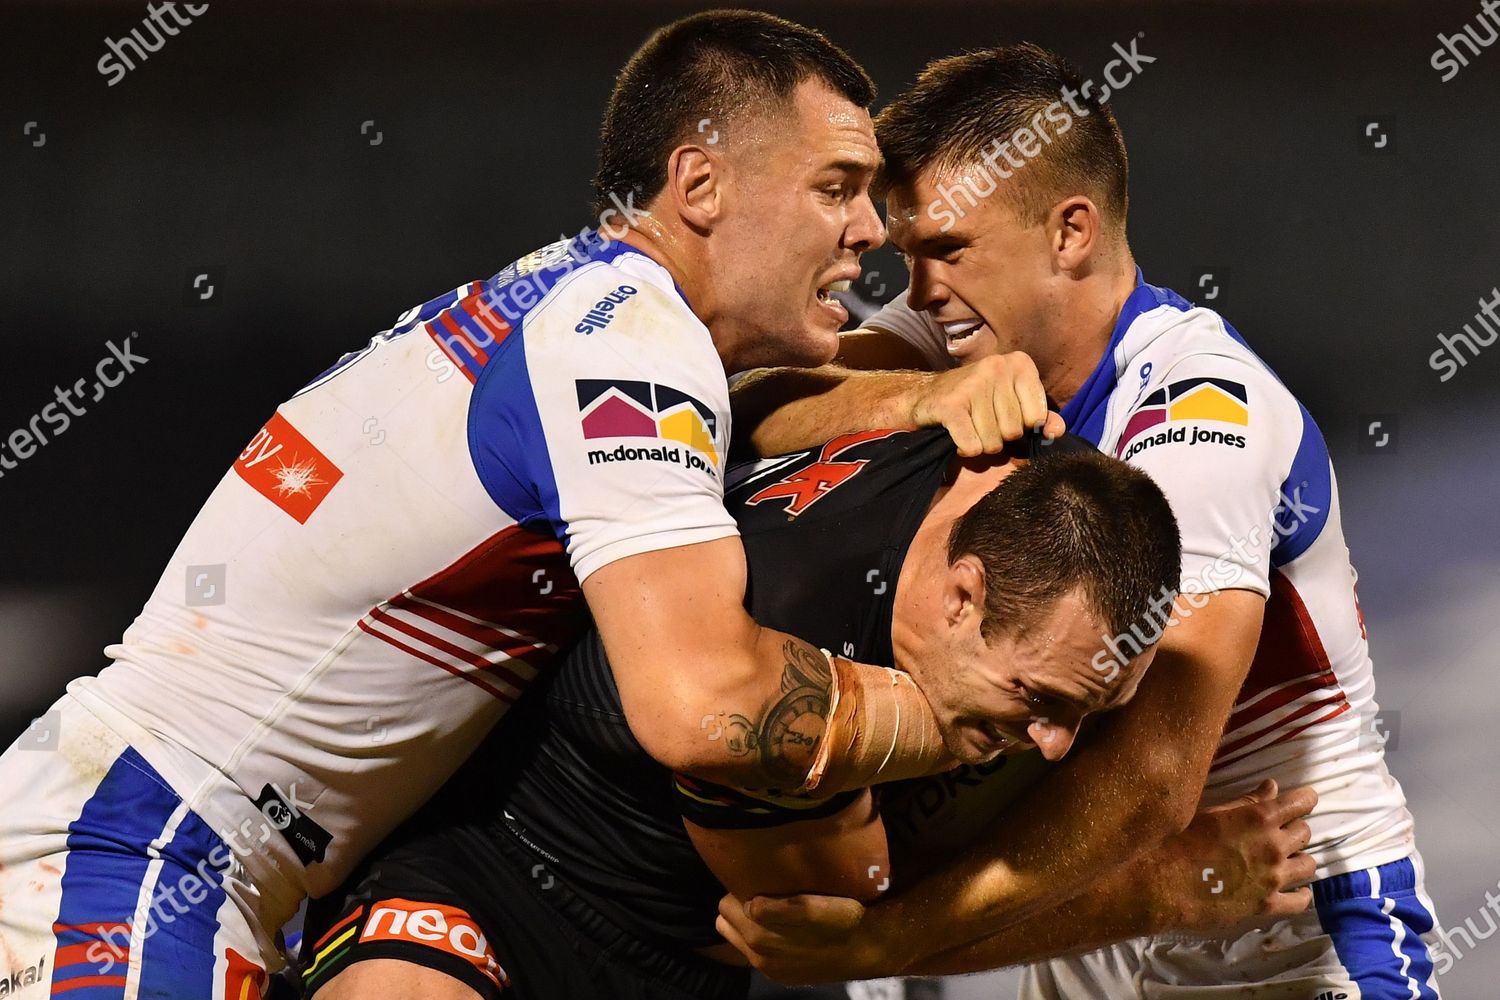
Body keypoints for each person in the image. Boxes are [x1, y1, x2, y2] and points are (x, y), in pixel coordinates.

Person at [0, 15, 1059, 995]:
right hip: (139, 861)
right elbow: (702, 704)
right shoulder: (629, 347)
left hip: (143, 833)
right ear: (700, 185)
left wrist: (919, 394)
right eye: (838, 185)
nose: (873, 230)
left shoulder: (582, 307)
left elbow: (738, 413)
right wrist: (959, 715)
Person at [728, 42, 1441, 999]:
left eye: (948, 250)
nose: (921, 289)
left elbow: (1151, 778)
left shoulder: (1198, 421)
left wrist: (885, 941)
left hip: (1278, 916)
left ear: (1070, 232)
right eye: (906, 258)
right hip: (1089, 901)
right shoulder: (952, 338)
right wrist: (901, 402)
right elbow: (742, 410)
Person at [297, 429, 1311, 1000]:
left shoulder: (1027, 489)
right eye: (1039, 703)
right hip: (491, 880)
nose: (1055, 745)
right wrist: (1155, 892)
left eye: (1087, 714)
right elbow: (847, 927)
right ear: (959, 594)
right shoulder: (784, 662)